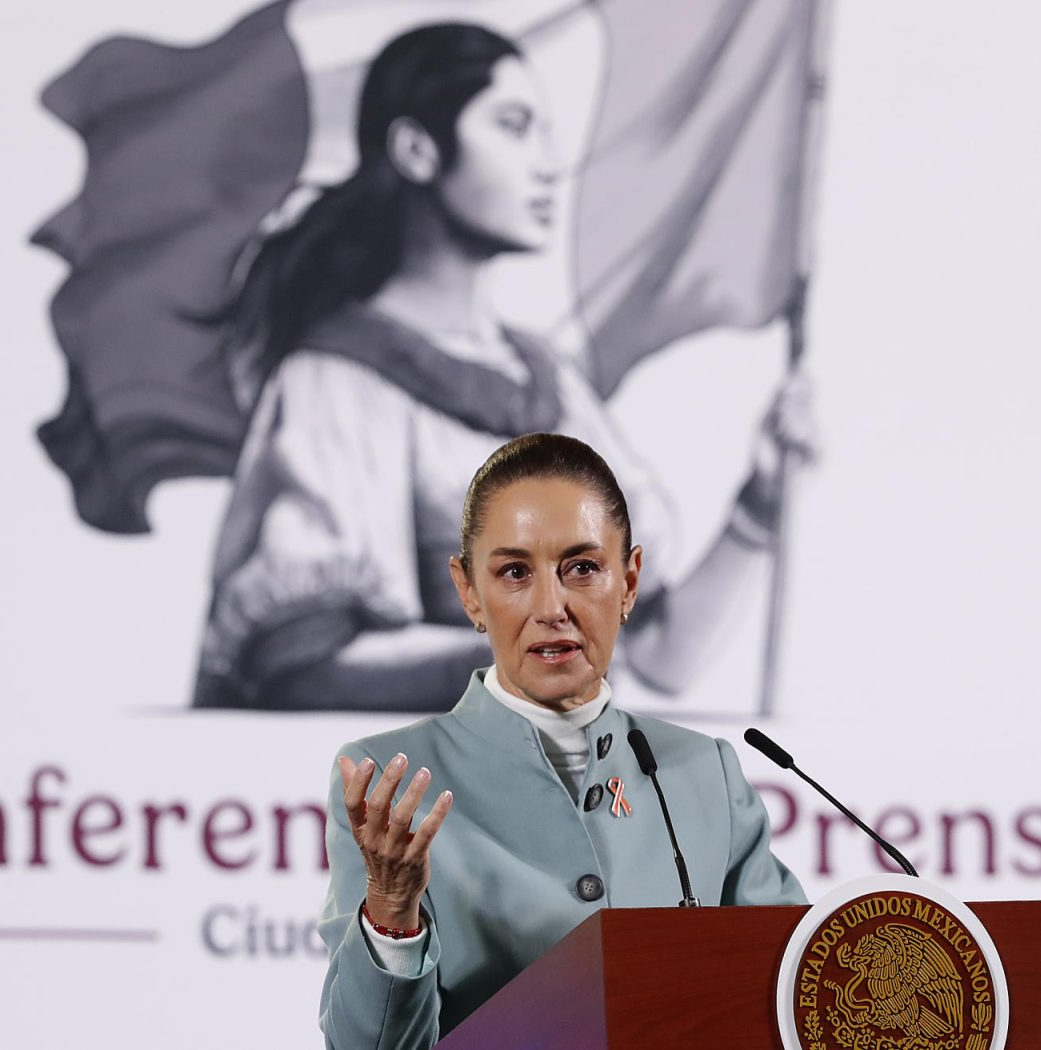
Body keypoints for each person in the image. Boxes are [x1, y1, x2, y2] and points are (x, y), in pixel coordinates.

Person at [193, 22, 815, 712]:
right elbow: (305, 669)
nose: (547, 164)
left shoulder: (549, 385)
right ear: (417, 150)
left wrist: (759, 505)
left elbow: (660, 656)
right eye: (513, 127)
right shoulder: (336, 382)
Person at [317, 433, 807, 1049]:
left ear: (629, 582)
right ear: (469, 590)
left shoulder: (706, 774)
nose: (552, 607)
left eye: (582, 568)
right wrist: (390, 913)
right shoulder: (387, 780)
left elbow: (794, 1000)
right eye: (515, 572)